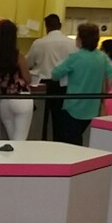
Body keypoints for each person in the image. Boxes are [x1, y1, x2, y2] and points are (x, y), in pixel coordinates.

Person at [47, 23, 112, 146]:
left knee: (71, 140)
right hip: (92, 107)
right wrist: (104, 93)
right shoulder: (102, 57)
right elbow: (111, 76)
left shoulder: (75, 58)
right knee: (78, 137)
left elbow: (55, 74)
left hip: (74, 106)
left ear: (81, 39)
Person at [0, 18, 34, 141]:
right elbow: (28, 79)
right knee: (20, 141)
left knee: (12, 140)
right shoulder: (18, 55)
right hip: (22, 98)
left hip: (4, 101)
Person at [28, 13, 74, 142]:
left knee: (41, 119)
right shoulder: (71, 43)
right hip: (63, 84)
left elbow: (28, 63)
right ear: (60, 25)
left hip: (43, 84)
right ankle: (58, 143)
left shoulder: (38, 43)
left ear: (46, 27)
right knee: (59, 119)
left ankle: (41, 141)